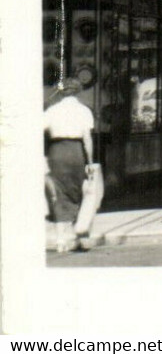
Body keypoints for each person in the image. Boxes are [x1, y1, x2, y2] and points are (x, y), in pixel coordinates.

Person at [43, 79, 96, 252]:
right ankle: (78, 237)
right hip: (76, 152)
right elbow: (87, 139)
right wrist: (89, 162)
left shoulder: (52, 110)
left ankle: (60, 240)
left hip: (56, 152)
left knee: (58, 193)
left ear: (61, 92)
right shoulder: (84, 111)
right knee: (78, 192)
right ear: (78, 91)